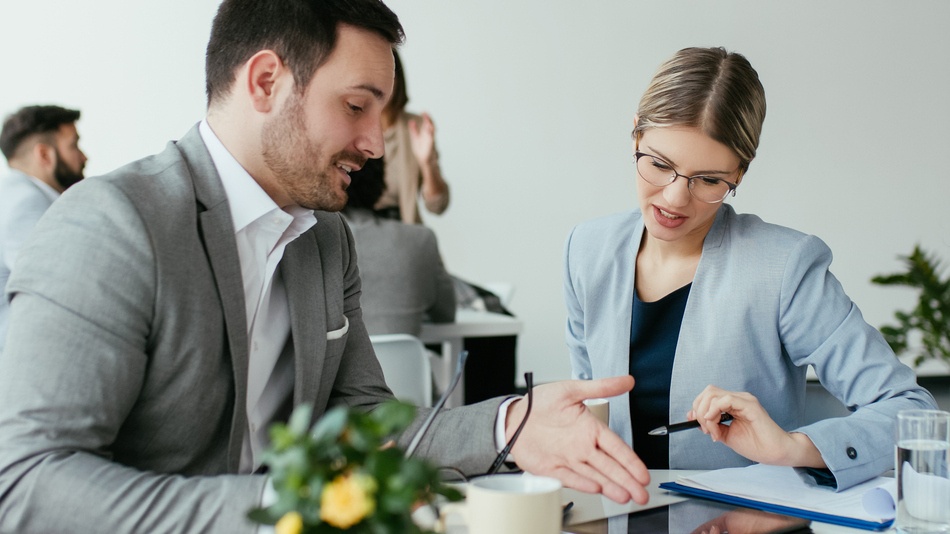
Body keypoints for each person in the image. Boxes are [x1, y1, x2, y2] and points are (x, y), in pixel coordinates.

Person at [0, 1, 648, 532]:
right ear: (265, 82)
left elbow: (366, 429)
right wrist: (291, 511)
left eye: (382, 116)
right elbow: (26, 484)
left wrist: (510, 426)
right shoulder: (112, 225)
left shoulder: (326, 239)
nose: (373, 144)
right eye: (356, 106)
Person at [563, 46, 936, 492]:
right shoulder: (587, 249)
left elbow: (908, 409)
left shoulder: (784, 268)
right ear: (635, 137)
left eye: (709, 180)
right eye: (660, 165)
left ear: (740, 173)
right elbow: (585, 408)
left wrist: (792, 447)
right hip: (612, 513)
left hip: (745, 519)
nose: (675, 198)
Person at [0, 104, 86, 353]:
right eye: (74, 145)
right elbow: (58, 289)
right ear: (45, 155)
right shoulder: (26, 202)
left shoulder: (13, 194)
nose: (83, 156)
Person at [342, 156, 455, 336]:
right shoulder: (420, 239)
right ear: (381, 182)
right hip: (403, 364)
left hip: (339, 364)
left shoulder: (310, 241)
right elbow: (446, 314)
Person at [373, 49, 449, 224]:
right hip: (357, 233)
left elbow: (438, 206)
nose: (379, 85)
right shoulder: (349, 126)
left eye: (387, 77)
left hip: (403, 231)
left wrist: (427, 163)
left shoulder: (417, 127)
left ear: (398, 80)